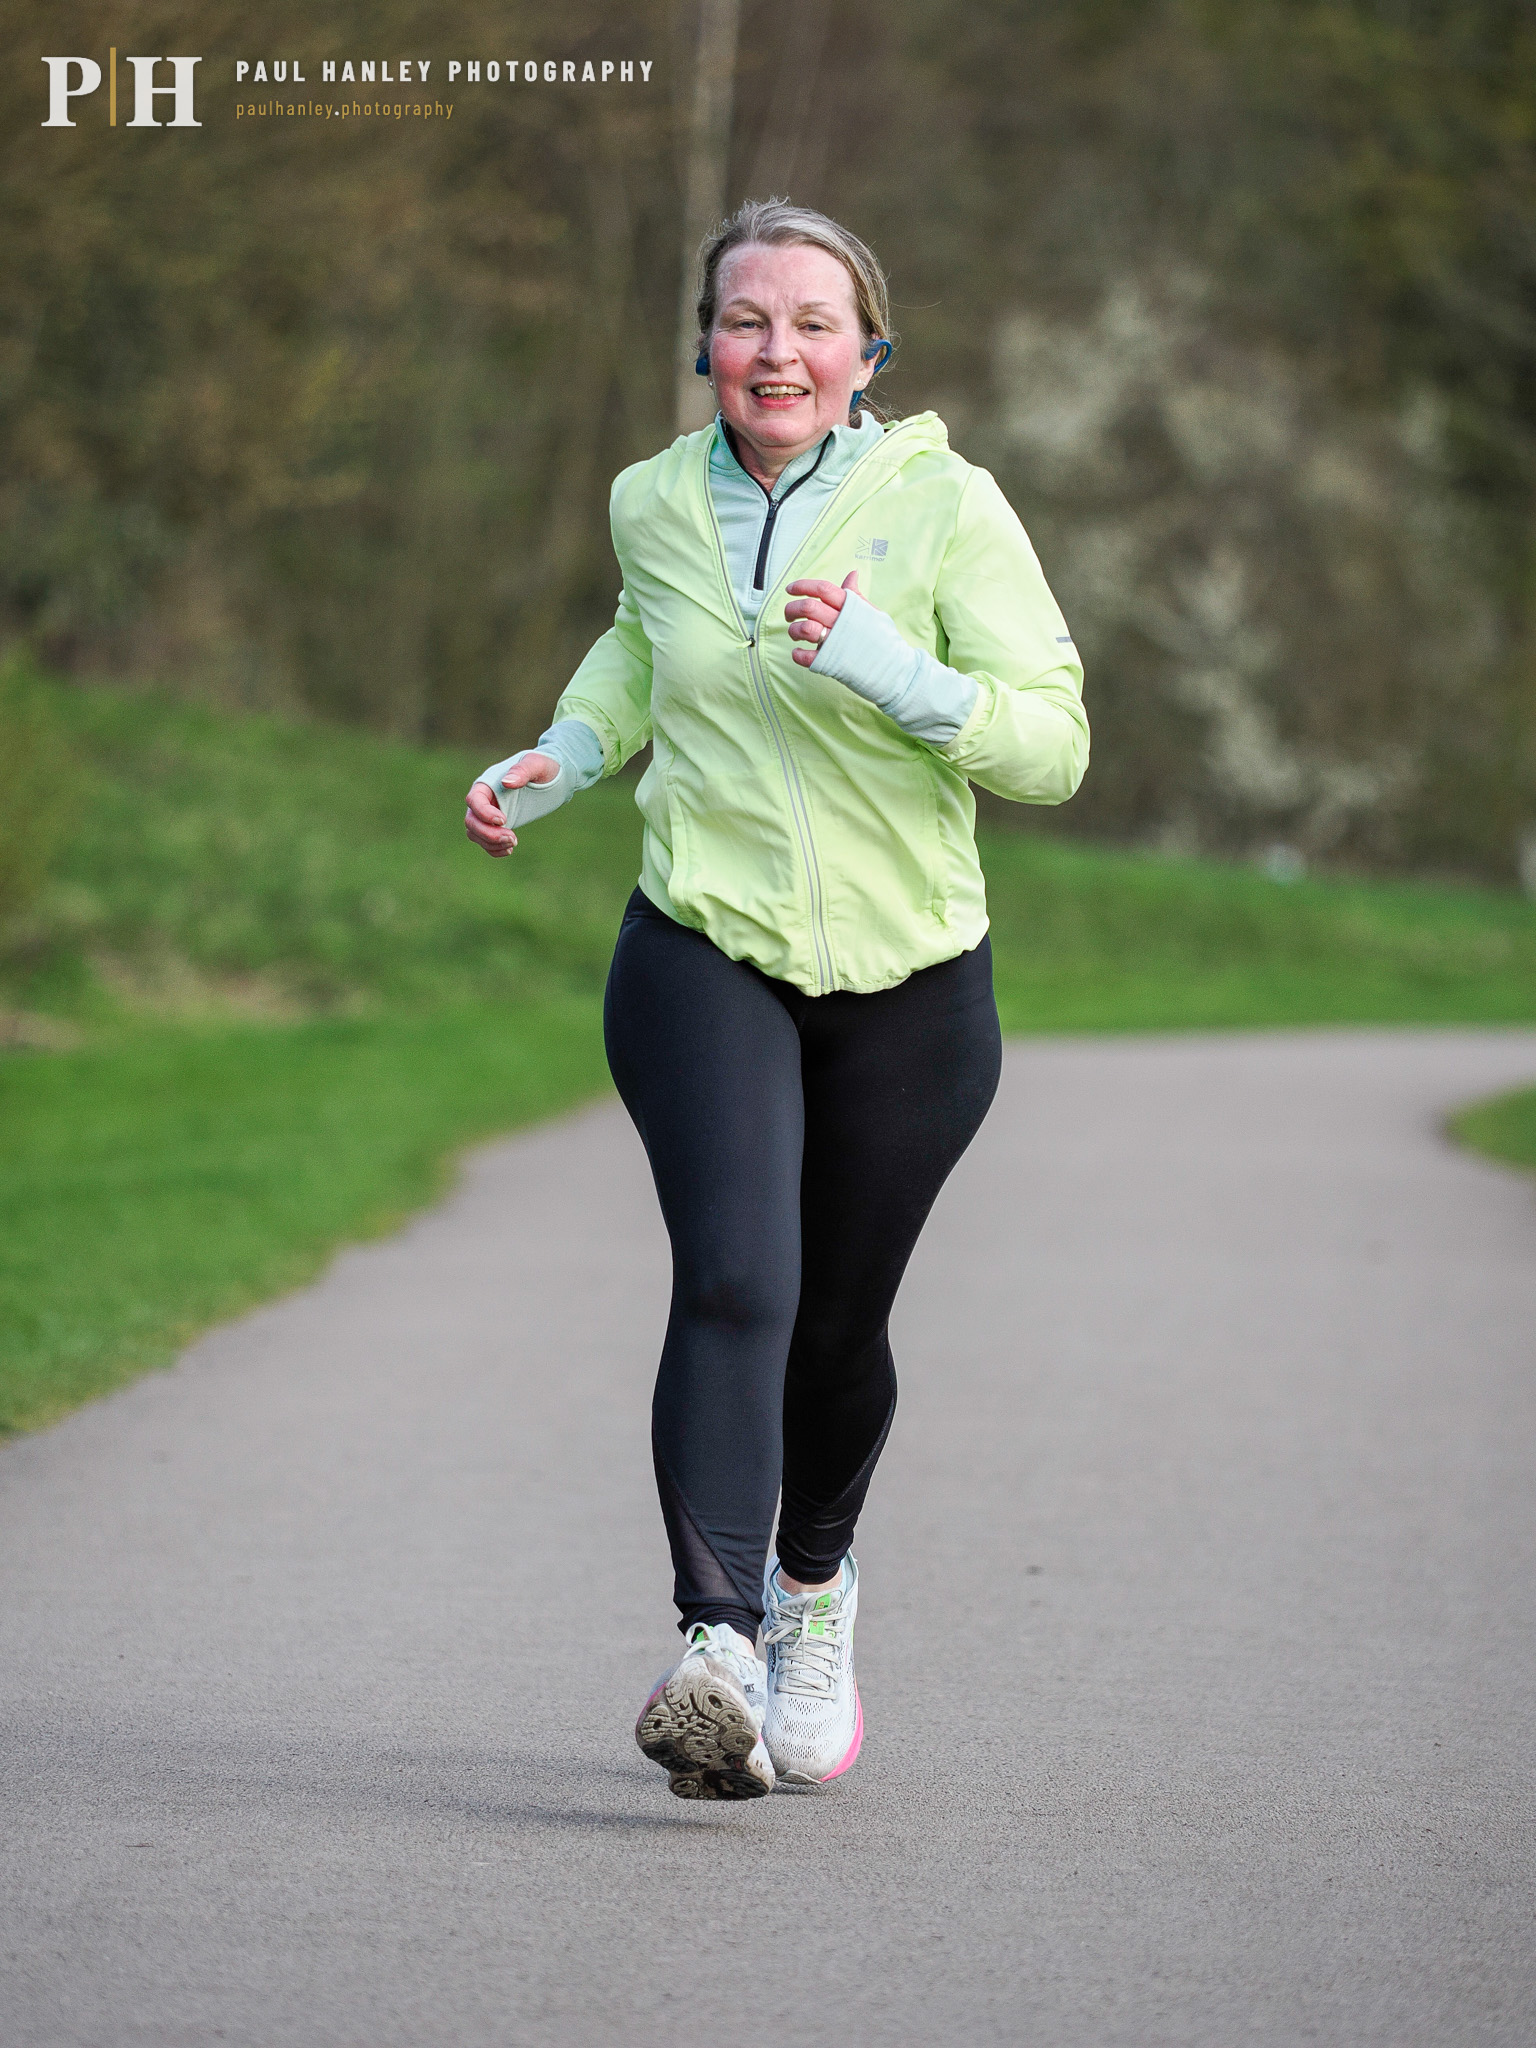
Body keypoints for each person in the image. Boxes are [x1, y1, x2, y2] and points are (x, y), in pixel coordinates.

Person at [464, 198, 1087, 1800]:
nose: (778, 349)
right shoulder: (652, 500)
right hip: (703, 943)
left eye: (814, 321)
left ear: (868, 352)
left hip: (913, 978)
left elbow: (1052, 745)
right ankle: (717, 1645)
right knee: (735, 1278)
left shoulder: (949, 507)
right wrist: (565, 756)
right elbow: (637, 646)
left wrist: (896, 668)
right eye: (747, 319)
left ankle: (815, 1593)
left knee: (835, 1318)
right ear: (705, 345)